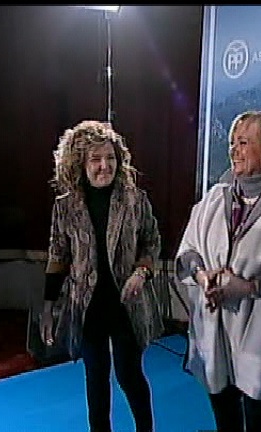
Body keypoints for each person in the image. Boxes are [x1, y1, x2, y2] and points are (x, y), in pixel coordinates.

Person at [40, 120, 164, 432]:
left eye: (110, 158)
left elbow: (152, 241)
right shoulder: (65, 207)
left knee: (129, 375)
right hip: (87, 307)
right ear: (79, 163)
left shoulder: (134, 199)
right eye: (95, 159)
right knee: (95, 380)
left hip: (126, 305)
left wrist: (142, 272)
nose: (104, 166)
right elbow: (58, 255)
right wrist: (48, 306)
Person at [175, 110, 261, 432]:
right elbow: (188, 251)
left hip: (260, 337)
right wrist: (203, 277)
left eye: (244, 143)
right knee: (223, 414)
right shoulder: (215, 197)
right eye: (232, 143)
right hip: (215, 330)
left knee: (260, 418)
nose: (234, 150)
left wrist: (248, 287)